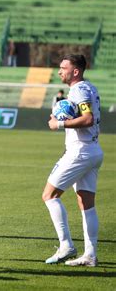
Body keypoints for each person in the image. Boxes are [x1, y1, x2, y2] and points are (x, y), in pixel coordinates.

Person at [43, 54, 103, 267]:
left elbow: (88, 119)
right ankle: (90, 254)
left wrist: (58, 124)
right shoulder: (89, 88)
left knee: (49, 195)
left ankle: (66, 245)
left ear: (75, 71)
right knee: (86, 204)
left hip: (80, 152)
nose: (60, 71)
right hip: (93, 150)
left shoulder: (79, 90)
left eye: (63, 68)